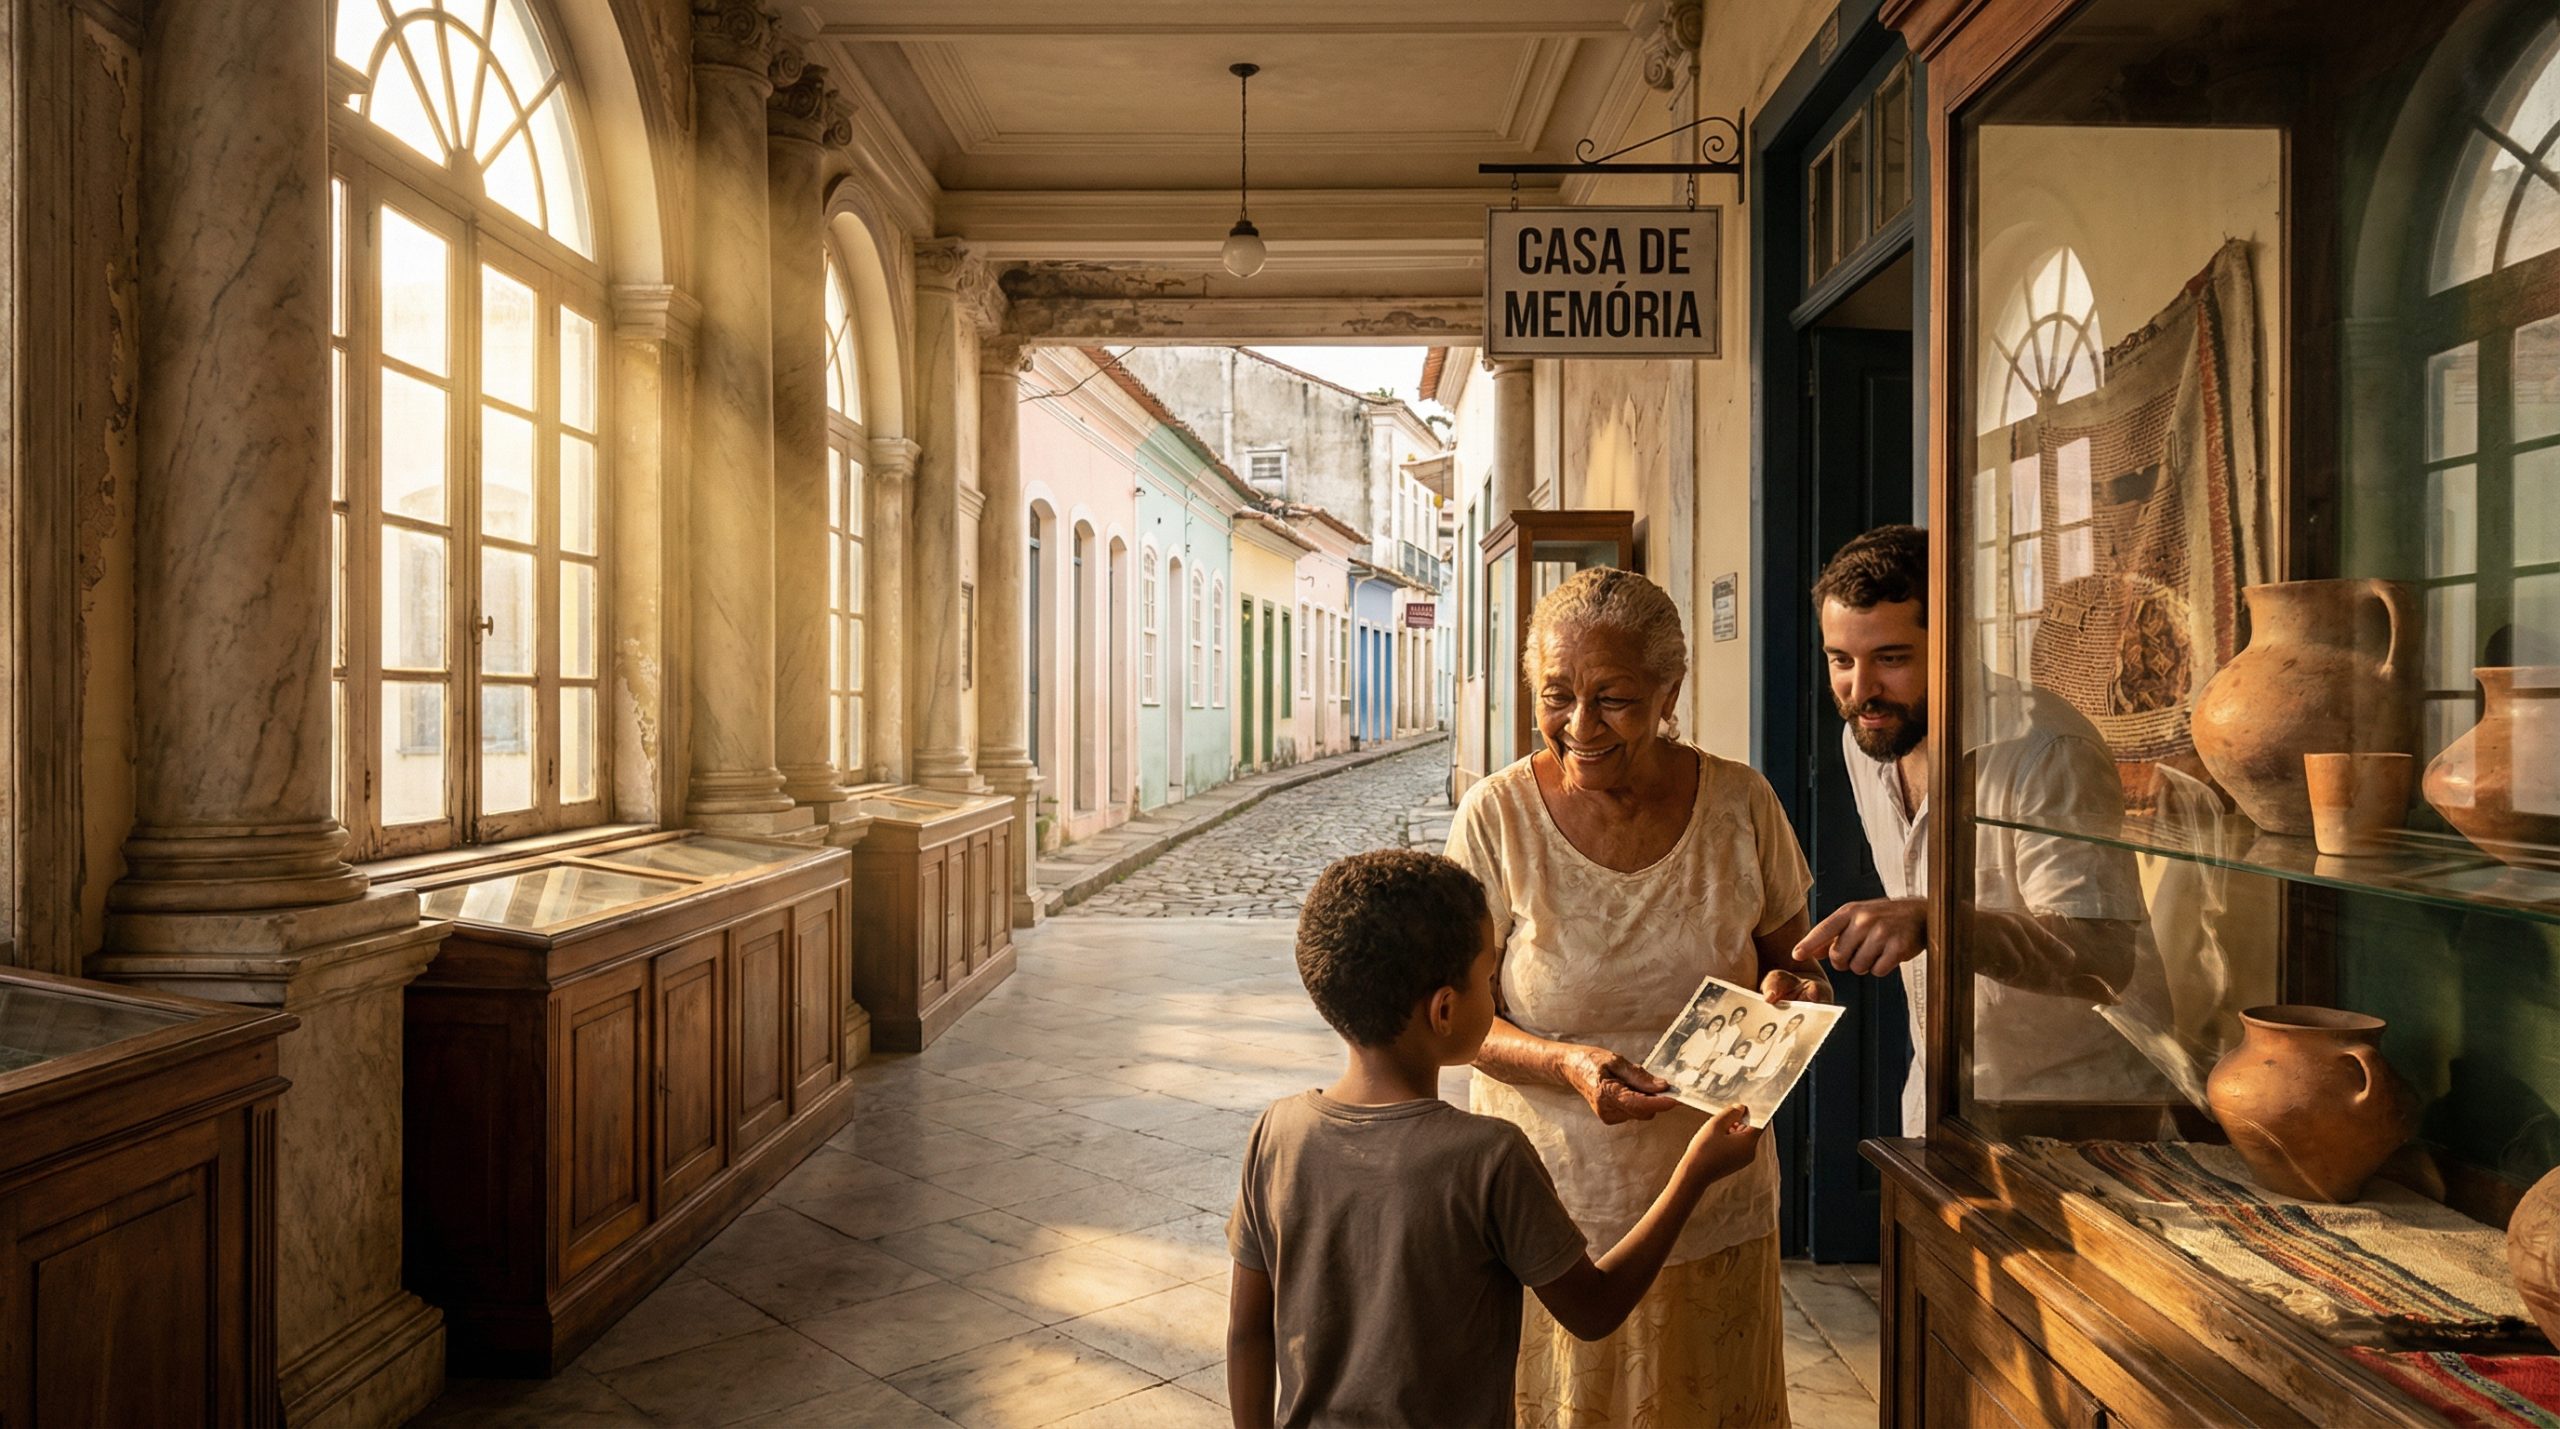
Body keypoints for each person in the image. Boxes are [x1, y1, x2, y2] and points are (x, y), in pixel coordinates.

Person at [1446, 566, 1825, 1427]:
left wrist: (1789, 994)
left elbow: (1801, 975)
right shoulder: (1495, 819)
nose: (1578, 726)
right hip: (1548, 1213)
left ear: (1668, 692)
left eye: (1611, 698)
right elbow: (1451, 1024)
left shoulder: (1742, 804)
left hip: (1713, 1203)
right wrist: (1564, 1060)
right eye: (1557, 696)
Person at [1224, 850, 1766, 1429]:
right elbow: (1594, 1309)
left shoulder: (1277, 1133)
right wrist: (1695, 1172)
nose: (1495, 994)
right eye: (1489, 978)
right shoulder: (1487, 1157)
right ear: (1445, 1010)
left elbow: (1247, 1332)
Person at [1797, 524, 2163, 1135]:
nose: (1861, 691)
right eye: (1841, 660)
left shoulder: (2047, 749)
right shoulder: (1865, 741)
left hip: (2075, 1112)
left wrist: (1933, 920)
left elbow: (2102, 961)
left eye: (1891, 659)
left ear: (1954, 643)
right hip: (1939, 1101)